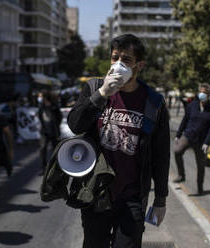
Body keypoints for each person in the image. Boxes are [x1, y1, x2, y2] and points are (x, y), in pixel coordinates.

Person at [67, 34, 170, 248]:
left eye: (127, 60)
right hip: (97, 194)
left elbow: (161, 155)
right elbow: (75, 124)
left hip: (132, 197)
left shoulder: (154, 103)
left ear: (139, 65)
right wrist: (103, 93)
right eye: (115, 58)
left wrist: (160, 200)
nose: (118, 65)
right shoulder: (95, 88)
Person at [173, 83, 210, 195]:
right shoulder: (192, 105)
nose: (202, 94)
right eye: (201, 91)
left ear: (208, 94)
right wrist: (178, 134)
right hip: (188, 136)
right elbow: (185, 120)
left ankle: (200, 188)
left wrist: (207, 142)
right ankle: (181, 175)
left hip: (201, 141)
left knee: (200, 166)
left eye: (205, 93)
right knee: (177, 151)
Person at [38, 90, 62, 175]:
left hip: (53, 131)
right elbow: (40, 116)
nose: (40, 98)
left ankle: (54, 169)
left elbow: (59, 117)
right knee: (42, 149)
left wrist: (56, 127)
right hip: (44, 131)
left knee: (55, 150)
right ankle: (44, 168)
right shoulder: (41, 106)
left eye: (41, 96)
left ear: (45, 97)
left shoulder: (54, 106)